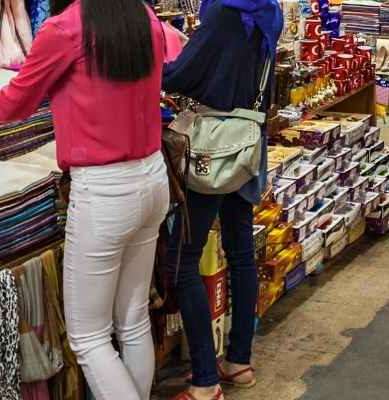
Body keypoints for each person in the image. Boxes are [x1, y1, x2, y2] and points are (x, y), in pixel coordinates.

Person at [0, 1, 167, 399]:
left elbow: (19, 98)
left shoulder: (66, 28)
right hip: (153, 177)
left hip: (104, 192)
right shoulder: (144, 16)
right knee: (134, 320)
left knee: (89, 338)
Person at [161, 0, 282, 399]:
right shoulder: (267, 9)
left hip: (213, 148)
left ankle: (204, 381)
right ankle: (238, 361)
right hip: (248, 143)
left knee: (183, 260)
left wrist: (157, 60)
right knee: (241, 250)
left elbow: (181, 75)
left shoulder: (225, 13)